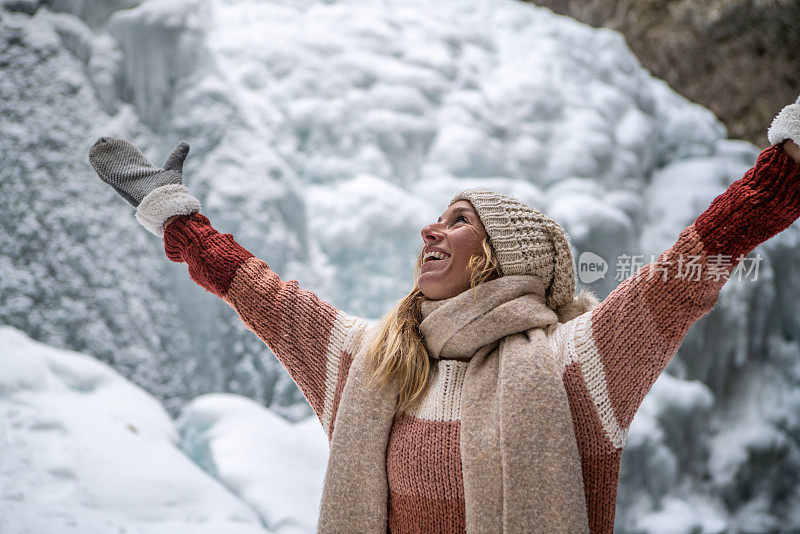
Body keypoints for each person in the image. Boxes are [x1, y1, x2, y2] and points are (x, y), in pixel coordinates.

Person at [88, 97, 800, 533]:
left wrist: (787, 167)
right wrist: (180, 220)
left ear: (503, 257)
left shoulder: (575, 366)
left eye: (458, 221)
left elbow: (687, 268)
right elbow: (260, 295)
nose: (430, 230)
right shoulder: (369, 359)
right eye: (433, 217)